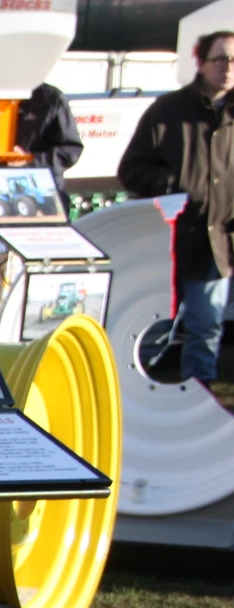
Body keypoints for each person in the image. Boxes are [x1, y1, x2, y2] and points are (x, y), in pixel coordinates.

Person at [120, 30, 234, 385]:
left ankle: (200, 401)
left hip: (217, 243)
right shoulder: (168, 111)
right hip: (167, 242)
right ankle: (136, 397)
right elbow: (130, 170)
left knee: (206, 327)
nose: (228, 67)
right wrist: (171, 187)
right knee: (152, 330)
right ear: (200, 62)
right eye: (221, 59)